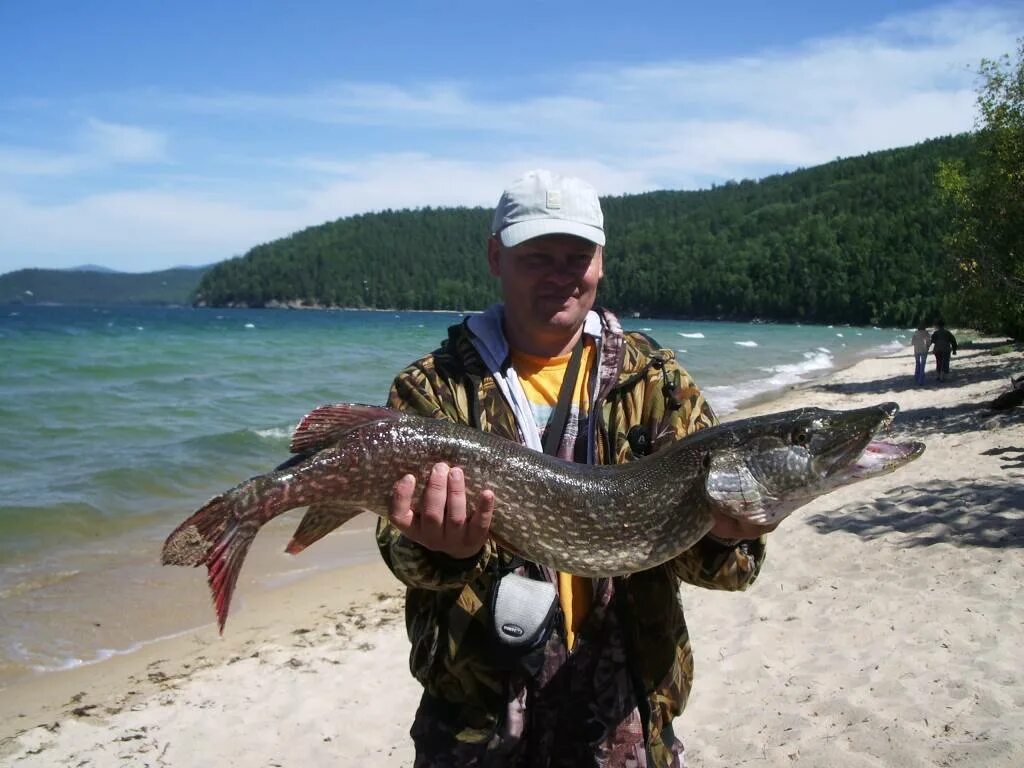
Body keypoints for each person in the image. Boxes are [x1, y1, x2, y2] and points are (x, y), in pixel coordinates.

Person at [376, 169, 778, 767]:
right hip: (478, 717)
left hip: (626, 708)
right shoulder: (432, 390)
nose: (561, 274)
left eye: (577, 256)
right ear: (496, 256)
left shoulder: (657, 383)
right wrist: (442, 550)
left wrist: (724, 538)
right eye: (538, 256)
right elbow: (399, 549)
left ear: (601, 263)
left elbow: (728, 572)